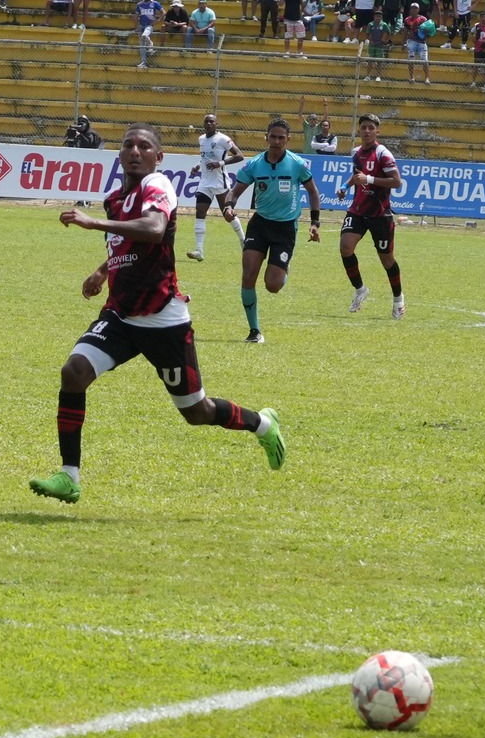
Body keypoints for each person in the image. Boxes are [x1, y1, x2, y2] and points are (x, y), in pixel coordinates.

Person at [28, 124, 286, 505]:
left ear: (157, 157)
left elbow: (153, 228)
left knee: (196, 412)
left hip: (163, 317)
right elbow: (128, 241)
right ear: (120, 155)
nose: (135, 151)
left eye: (144, 146)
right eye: (128, 145)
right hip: (120, 314)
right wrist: (102, 270)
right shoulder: (115, 200)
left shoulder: (158, 185)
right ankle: (70, 476)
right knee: (74, 372)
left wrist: (92, 222)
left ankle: (263, 424)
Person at [222, 117, 323, 343]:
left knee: (273, 285)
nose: (276, 141)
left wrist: (315, 223)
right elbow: (235, 191)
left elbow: (313, 192)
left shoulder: (297, 164)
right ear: (266, 137)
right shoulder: (255, 164)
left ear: (288, 139)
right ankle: (254, 331)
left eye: (281, 137)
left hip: (285, 228)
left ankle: (283, 269)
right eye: (273, 137)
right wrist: (228, 206)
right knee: (248, 274)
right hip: (260, 224)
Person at [337, 113, 403, 317]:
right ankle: (360, 290)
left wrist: (370, 179)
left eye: (371, 128)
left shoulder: (383, 154)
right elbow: (358, 174)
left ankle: (398, 299)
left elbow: (396, 181)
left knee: (387, 260)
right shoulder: (356, 153)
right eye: (363, 127)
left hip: (379, 214)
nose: (367, 131)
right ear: (359, 130)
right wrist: (345, 186)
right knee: (345, 247)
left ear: (377, 131)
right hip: (357, 210)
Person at [186, 113, 247, 265]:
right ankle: (199, 250)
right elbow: (204, 158)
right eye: (206, 122)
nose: (208, 124)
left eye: (211, 121)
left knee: (227, 214)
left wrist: (219, 164)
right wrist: (198, 166)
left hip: (220, 182)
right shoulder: (201, 139)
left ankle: (243, 240)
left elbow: (240, 156)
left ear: (217, 124)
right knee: (200, 211)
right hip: (205, 182)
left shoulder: (223, 139)